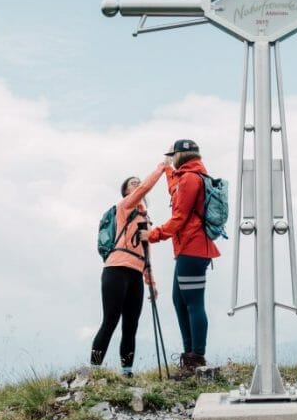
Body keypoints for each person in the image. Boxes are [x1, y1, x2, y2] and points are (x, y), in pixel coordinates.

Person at [143, 139, 221, 378]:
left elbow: (179, 217)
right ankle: (190, 356)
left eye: (173, 156)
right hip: (191, 249)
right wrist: (166, 169)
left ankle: (196, 357)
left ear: (181, 155)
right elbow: (175, 191)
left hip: (193, 248)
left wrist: (152, 235)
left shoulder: (189, 178)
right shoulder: (191, 176)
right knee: (180, 301)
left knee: (194, 302)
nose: (172, 159)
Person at [90, 161, 167, 377]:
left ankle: (127, 372)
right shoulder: (124, 207)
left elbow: (146, 250)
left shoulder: (145, 218)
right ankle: (94, 369)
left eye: (138, 183)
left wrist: (150, 281)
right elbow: (144, 189)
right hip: (116, 268)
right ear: (126, 191)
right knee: (111, 320)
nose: (138, 184)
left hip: (135, 272)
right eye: (133, 184)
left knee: (131, 325)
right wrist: (162, 167)